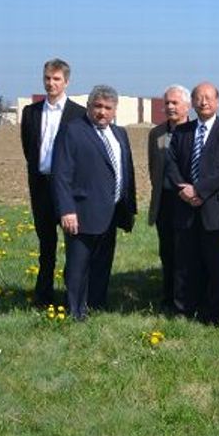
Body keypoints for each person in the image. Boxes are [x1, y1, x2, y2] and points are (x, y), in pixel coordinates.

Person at [51, 85, 137, 321]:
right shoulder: (73, 131)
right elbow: (61, 174)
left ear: (115, 110)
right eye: (97, 106)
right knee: (79, 265)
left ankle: (97, 304)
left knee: (102, 262)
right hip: (82, 212)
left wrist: (128, 207)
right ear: (88, 107)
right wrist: (67, 209)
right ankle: (75, 310)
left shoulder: (119, 133)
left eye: (107, 108)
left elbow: (126, 170)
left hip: (110, 211)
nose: (102, 112)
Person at [165, 82, 219, 325]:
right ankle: (184, 309)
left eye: (208, 98)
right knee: (185, 262)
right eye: (198, 98)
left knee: (215, 263)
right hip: (184, 206)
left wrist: (199, 189)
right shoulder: (182, 131)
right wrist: (183, 189)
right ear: (193, 102)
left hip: (215, 209)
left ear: (218, 102)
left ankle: (216, 312)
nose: (203, 102)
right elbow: (171, 162)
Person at [20, 59, 85, 307]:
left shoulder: (78, 114)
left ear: (66, 82)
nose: (51, 83)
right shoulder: (31, 112)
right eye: (47, 78)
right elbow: (29, 149)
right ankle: (43, 295)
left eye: (56, 79)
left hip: (67, 189)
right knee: (46, 245)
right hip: (41, 187)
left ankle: (73, 296)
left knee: (73, 244)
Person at [146, 84, 191, 310]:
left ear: (187, 105)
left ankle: (185, 298)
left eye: (175, 103)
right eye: (167, 103)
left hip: (188, 202)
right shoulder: (157, 133)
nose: (170, 107)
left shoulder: (195, 131)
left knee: (186, 253)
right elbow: (154, 166)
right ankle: (167, 297)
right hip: (164, 201)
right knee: (167, 251)